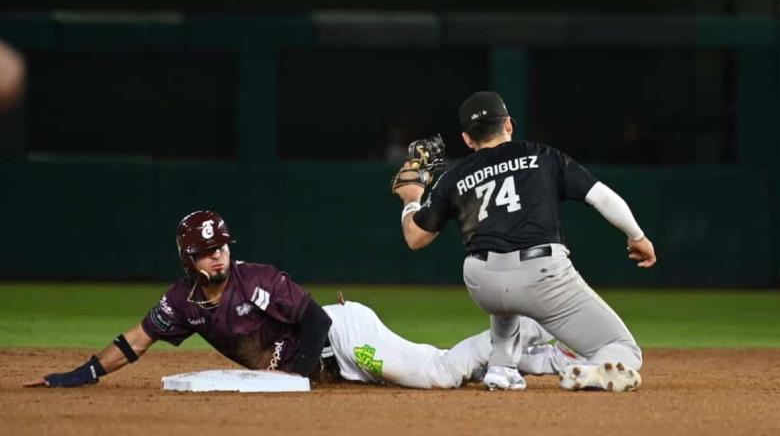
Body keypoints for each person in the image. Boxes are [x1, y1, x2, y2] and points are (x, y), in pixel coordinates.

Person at [24, 210, 574, 390]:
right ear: (189, 259)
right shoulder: (183, 303)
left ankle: (520, 329)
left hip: (342, 336)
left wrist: (298, 378)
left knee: (440, 374)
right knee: (439, 370)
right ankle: (542, 356)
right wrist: (86, 374)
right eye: (207, 252)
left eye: (222, 248)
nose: (219, 258)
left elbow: (311, 319)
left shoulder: (255, 278)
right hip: (329, 360)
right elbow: (136, 341)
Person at [393, 91, 656, 392]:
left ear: (467, 139)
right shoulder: (543, 156)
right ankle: (585, 370)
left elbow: (415, 238)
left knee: (507, 289)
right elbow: (603, 197)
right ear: (508, 125)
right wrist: (638, 237)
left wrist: (411, 200)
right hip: (540, 276)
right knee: (623, 349)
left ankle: (502, 367)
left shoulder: (455, 177)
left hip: (483, 282)